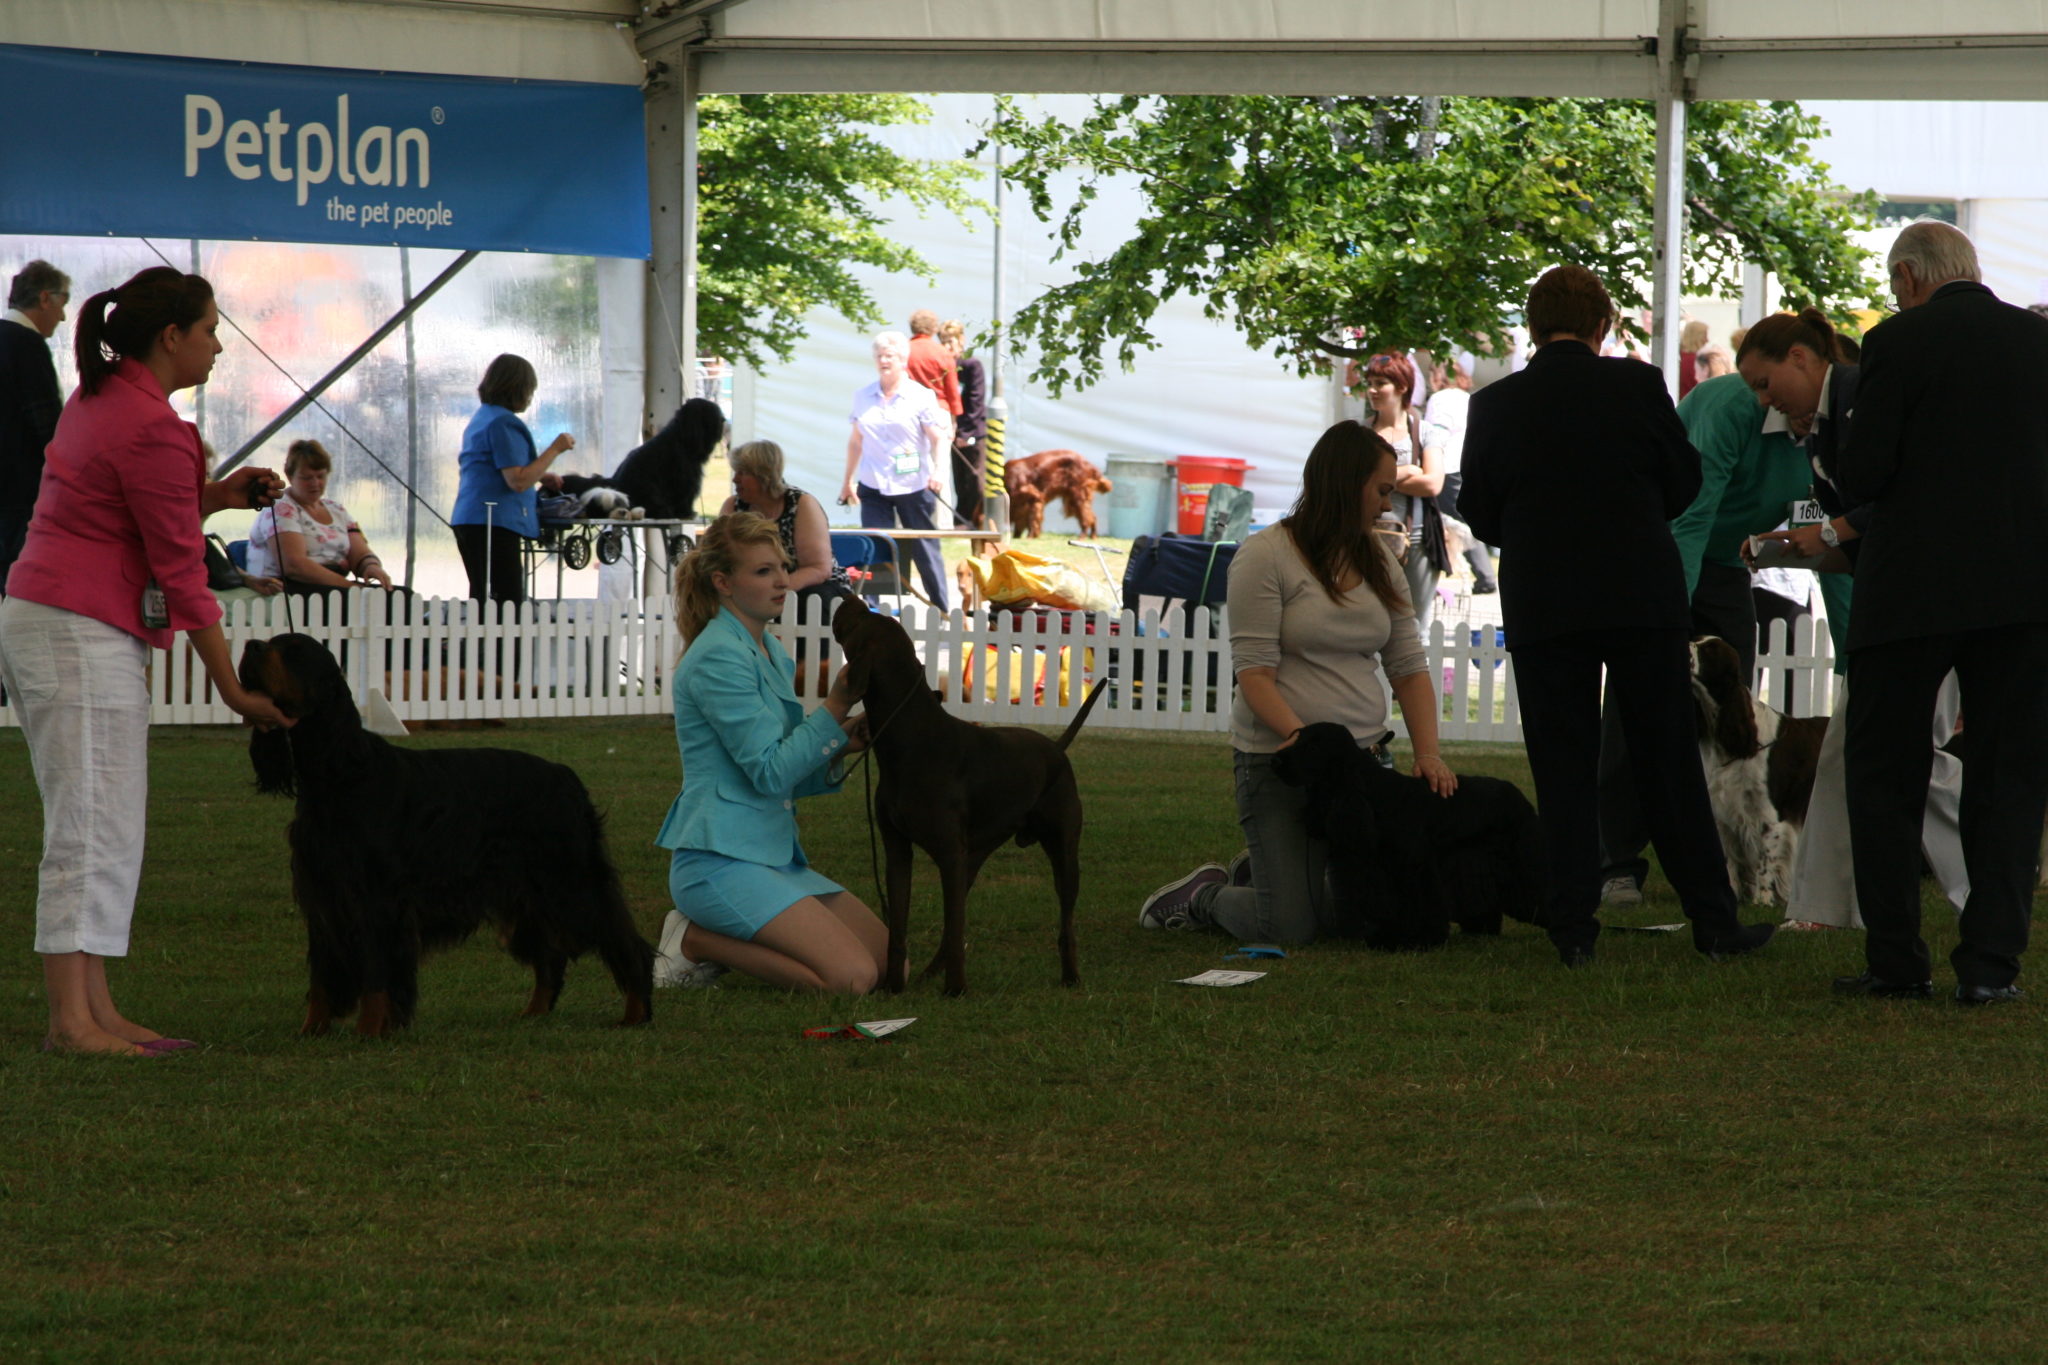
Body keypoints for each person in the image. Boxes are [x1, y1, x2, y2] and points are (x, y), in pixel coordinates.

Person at [0, 266, 291, 1056]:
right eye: (210, 331)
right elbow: (181, 569)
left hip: (56, 617)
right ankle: (72, 1021)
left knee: (101, 820)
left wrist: (217, 494)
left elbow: (132, 508)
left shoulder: (101, 400)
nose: (218, 346)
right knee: (90, 822)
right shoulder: (154, 425)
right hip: (79, 628)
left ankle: (95, 1010)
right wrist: (234, 690)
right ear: (171, 336)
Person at [1458, 264, 1775, 967]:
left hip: (1546, 598)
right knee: (1666, 759)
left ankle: (1573, 926)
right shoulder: (1637, 386)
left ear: (1534, 327)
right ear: (1602, 325)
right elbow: (1683, 480)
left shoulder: (1496, 403)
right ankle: (1714, 922)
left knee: (1562, 763)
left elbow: (1477, 508)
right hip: (1639, 593)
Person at [1832, 221, 2048, 1004]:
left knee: (1885, 773)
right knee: (2010, 775)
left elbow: (1865, 471)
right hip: (2024, 589)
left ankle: (1897, 959)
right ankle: (1991, 966)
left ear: (1910, 277)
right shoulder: (2038, 342)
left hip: (1912, 587)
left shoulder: (1896, 341)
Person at [1137, 420, 1456, 943]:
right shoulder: (1265, 555)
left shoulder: (1379, 557)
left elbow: (1407, 663)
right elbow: (1254, 673)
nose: (1386, 506)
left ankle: (1269, 875)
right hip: (1282, 763)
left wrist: (1428, 754)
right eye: (1380, 491)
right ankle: (1204, 897)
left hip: (1365, 766)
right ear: (1344, 483)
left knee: (1375, 912)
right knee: (1288, 927)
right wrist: (1305, 742)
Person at [1735, 309, 1968, 932]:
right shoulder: (1821, 429)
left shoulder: (1868, 395)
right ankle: (1824, 906)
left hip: (1932, 602)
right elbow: (1860, 542)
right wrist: (1790, 549)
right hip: (1894, 599)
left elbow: (1908, 494)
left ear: (1800, 358)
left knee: (1915, 759)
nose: (1766, 403)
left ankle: (1984, 883)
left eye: (1765, 384)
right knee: (1843, 758)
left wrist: (1832, 531)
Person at [1593, 358, 1814, 907]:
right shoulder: (1731, 407)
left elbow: (1826, 539)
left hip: (1726, 566)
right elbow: (1692, 518)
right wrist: (1670, 616)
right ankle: (1615, 863)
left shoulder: (1823, 429)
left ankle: (1726, 861)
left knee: (1733, 712)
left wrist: (1854, 648)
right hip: (1661, 553)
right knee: (1636, 703)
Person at [649, 513, 886, 993]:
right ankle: (693, 940)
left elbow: (787, 769)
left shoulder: (769, 651)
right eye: (763, 571)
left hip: (769, 858)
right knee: (853, 979)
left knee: (890, 964)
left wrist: (841, 743)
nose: (782, 581)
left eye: (782, 567)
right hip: (718, 863)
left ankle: (709, 938)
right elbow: (771, 772)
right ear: (723, 582)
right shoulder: (718, 656)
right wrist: (836, 706)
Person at [839, 330, 953, 611]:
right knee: (873, 547)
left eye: (889, 355)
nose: (883, 361)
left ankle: (941, 610)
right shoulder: (863, 396)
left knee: (924, 548)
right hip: (873, 483)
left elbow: (939, 439)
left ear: (903, 360)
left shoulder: (921, 396)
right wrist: (848, 480)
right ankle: (871, 611)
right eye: (879, 356)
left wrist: (939, 471)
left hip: (914, 484)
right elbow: (856, 442)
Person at [452, 353, 573, 605]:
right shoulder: (503, 423)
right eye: (530, 390)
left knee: (484, 598)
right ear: (518, 389)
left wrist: (541, 475)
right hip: (493, 522)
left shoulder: (483, 417)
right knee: (506, 602)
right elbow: (517, 481)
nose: (530, 397)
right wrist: (555, 449)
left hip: (470, 518)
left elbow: (496, 466)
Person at [1358, 351, 1451, 636]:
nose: (1372, 390)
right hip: (1366, 539)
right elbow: (1352, 484)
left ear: (1402, 387)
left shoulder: (1424, 432)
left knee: (1414, 628)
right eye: (1370, 383)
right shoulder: (1361, 433)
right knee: (1367, 624)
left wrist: (1378, 480)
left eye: (1381, 383)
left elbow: (1432, 484)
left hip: (1416, 541)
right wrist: (1408, 470)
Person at [244, 439, 398, 596]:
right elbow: (294, 566)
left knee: (398, 595)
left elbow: (359, 552)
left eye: (320, 476)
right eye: (306, 478)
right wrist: (351, 588)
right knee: (382, 599)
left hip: (331, 588)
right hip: (287, 589)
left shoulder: (337, 510)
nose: (315, 483)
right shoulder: (280, 508)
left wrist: (370, 566)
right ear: (290, 476)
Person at [718, 438, 850, 619]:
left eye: (743, 473)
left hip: (811, 588)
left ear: (764, 475)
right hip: (756, 587)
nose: (735, 479)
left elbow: (819, 569)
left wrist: (774, 590)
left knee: (808, 602)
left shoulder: (801, 504)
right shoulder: (733, 506)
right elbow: (719, 556)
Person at [0, 259, 68, 593]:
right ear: (44, 298)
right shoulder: (28, 345)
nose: (63, 316)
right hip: (20, 495)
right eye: (62, 302)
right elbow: (48, 426)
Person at [939, 318, 988, 529]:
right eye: (944, 341)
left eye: (951, 341)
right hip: (952, 432)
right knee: (959, 479)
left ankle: (976, 519)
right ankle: (961, 519)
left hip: (972, 431)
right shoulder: (943, 366)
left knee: (975, 477)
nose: (948, 346)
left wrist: (966, 433)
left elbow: (977, 400)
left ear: (961, 340)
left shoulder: (971, 365)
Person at [905, 308, 962, 434]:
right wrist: (954, 420)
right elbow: (952, 390)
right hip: (938, 411)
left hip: (909, 411)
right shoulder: (942, 353)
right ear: (934, 328)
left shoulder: (903, 350)